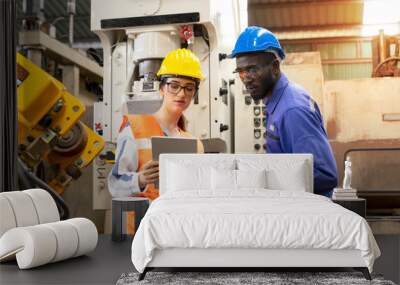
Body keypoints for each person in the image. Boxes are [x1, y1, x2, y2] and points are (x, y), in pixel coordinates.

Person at [230, 26, 337, 197]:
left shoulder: (292, 110)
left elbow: (323, 175)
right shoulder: (276, 103)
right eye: (241, 72)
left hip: (309, 212)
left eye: (252, 69)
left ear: (274, 67)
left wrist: (264, 181)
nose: (246, 79)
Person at [108, 48, 204, 232]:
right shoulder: (134, 129)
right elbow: (114, 185)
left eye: (189, 88)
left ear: (194, 94)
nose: (181, 93)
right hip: (139, 232)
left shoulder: (194, 144)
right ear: (162, 88)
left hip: (177, 230)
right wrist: (141, 179)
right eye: (174, 85)